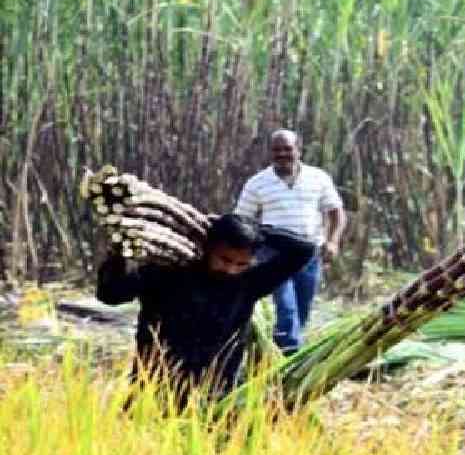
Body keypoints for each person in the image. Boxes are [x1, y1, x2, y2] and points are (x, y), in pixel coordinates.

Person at [96, 214, 317, 409]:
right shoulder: (167, 272)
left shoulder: (250, 283)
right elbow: (111, 295)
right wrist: (118, 256)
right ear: (208, 247)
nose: (231, 269)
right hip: (153, 392)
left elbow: (304, 249)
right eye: (224, 259)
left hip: (216, 398)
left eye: (242, 264)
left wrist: (258, 231)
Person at [235, 129, 346, 354]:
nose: (282, 154)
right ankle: (289, 356)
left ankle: (280, 354)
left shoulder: (318, 178)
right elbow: (242, 219)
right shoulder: (258, 183)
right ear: (270, 152)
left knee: (302, 309)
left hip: (309, 252)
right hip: (275, 254)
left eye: (288, 149)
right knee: (286, 308)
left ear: (299, 149)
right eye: (277, 150)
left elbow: (336, 212)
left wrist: (333, 241)